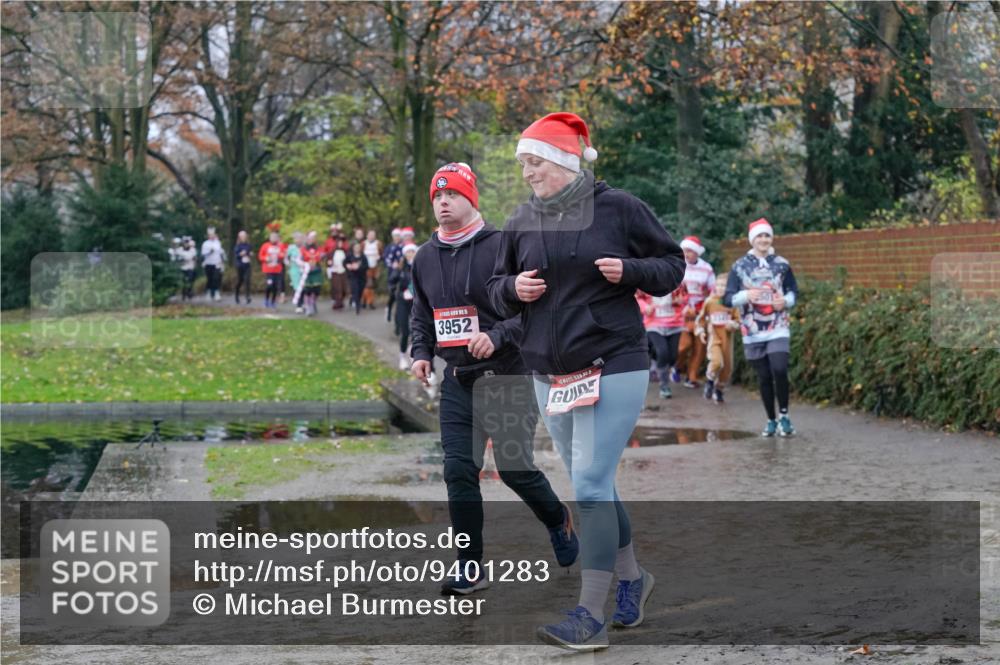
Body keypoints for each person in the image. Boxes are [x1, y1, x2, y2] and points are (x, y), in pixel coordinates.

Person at [486, 113, 685, 651]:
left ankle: (588, 614)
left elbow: (670, 265)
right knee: (597, 485)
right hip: (550, 376)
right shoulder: (520, 219)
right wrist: (513, 290)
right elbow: (495, 287)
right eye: (522, 163)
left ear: (565, 161)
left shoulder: (618, 208)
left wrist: (631, 270)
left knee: (592, 486)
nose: (526, 172)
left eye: (534, 162)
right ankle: (634, 580)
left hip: (613, 363)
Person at [411, 162, 579, 596]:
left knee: (514, 468)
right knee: (457, 470)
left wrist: (497, 334)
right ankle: (470, 567)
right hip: (458, 381)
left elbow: (533, 314)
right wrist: (421, 352)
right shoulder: (425, 256)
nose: (443, 202)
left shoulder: (503, 245)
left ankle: (557, 517)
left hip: (508, 374)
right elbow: (421, 314)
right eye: (437, 197)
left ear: (471, 199)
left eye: (452, 195)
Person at [723, 217, 799, 436]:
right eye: (759, 236)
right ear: (752, 240)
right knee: (764, 377)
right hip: (752, 329)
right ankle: (771, 420)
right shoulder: (739, 266)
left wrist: (786, 301)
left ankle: (784, 416)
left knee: (779, 368)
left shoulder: (782, 264)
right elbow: (727, 299)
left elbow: (793, 290)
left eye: (767, 235)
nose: (764, 240)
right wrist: (746, 295)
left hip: (778, 325)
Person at [674, 236, 715, 389]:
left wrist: (706, 309)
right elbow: (672, 290)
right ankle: (677, 367)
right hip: (682, 313)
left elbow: (713, 290)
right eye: (684, 250)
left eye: (690, 251)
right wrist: (682, 307)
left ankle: (692, 377)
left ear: (697, 253)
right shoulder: (677, 266)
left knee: (700, 347)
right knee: (683, 346)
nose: (687, 254)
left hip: (700, 312)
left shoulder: (707, 268)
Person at [636, 285, 687, 399]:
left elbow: (686, 296)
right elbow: (638, 297)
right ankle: (664, 386)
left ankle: (655, 358)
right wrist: (645, 307)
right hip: (654, 324)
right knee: (663, 352)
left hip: (675, 324)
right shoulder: (648, 280)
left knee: (673, 356)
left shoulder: (676, 280)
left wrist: (681, 300)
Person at [694, 280, 741, 403]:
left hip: (727, 339)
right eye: (719, 285)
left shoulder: (733, 303)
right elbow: (701, 319)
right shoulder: (710, 301)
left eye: (724, 286)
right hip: (714, 338)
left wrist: (733, 325)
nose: (721, 288)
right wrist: (701, 332)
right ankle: (709, 381)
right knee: (716, 362)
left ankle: (719, 389)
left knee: (727, 368)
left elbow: (738, 321)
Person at [394, 242, 418, 369]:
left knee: (417, 330)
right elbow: (392, 281)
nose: (410, 254)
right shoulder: (401, 267)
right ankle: (402, 356)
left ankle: (413, 353)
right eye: (408, 252)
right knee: (405, 330)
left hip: (416, 303)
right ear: (405, 254)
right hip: (403, 301)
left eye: (412, 251)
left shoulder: (420, 266)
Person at [258, 230, 286, 309]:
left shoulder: (281, 246)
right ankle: (266, 299)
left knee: (275, 287)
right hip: (268, 270)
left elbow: (283, 254)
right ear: (269, 238)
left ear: (277, 238)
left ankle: (273, 302)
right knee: (269, 285)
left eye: (275, 237)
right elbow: (260, 256)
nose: (274, 239)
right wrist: (266, 258)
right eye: (272, 237)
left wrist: (280, 256)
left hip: (277, 270)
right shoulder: (265, 245)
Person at [384, 228, 404, 326]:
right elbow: (386, 259)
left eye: (398, 236)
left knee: (400, 297)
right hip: (392, 274)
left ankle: (399, 322)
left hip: (402, 275)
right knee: (392, 295)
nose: (396, 238)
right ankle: (388, 309)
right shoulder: (389, 247)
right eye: (395, 236)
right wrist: (392, 265)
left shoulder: (403, 247)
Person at [300, 231, 324, 316]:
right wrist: (305, 264)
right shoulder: (303, 249)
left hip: (316, 270)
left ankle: (313, 302)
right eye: (309, 238)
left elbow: (322, 256)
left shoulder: (318, 248)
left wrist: (321, 258)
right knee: (307, 290)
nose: (311, 240)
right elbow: (300, 259)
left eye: (313, 238)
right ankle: (308, 306)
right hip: (307, 271)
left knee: (316, 289)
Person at [200, 227, 225, 301]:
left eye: (213, 234)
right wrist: (209, 251)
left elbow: (221, 252)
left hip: (216, 263)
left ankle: (216, 292)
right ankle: (209, 292)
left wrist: (222, 261)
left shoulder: (218, 243)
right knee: (209, 279)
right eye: (210, 235)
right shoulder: (205, 244)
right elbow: (203, 254)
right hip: (208, 263)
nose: (212, 236)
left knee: (216, 278)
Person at [345, 242, 368, 315]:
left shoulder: (363, 256)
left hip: (361, 276)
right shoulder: (350, 256)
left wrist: (359, 267)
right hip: (353, 276)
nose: (357, 249)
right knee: (356, 290)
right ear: (353, 248)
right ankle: (357, 307)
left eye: (358, 247)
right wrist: (348, 266)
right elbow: (344, 263)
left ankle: (357, 301)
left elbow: (366, 266)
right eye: (356, 247)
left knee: (360, 290)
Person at [285, 232, 305, 313]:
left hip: (304, 270)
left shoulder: (304, 248)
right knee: (297, 287)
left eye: (299, 239)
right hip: (294, 270)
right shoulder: (291, 248)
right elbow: (286, 258)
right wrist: (288, 264)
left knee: (303, 287)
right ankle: (298, 305)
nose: (298, 240)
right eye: (296, 239)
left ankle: (303, 303)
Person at [362, 229, 382, 310]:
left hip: (375, 267)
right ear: (367, 235)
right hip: (366, 268)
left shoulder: (378, 243)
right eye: (370, 235)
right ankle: (369, 302)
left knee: (371, 286)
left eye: (373, 235)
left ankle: (365, 301)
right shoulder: (363, 243)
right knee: (368, 285)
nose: (371, 236)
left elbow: (381, 254)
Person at [233, 230, 253, 305]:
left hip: (247, 265)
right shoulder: (237, 246)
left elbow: (250, 252)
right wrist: (240, 254)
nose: (244, 237)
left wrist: (250, 254)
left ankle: (247, 297)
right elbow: (236, 255)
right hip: (240, 265)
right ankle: (236, 295)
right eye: (242, 236)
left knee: (247, 280)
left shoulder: (249, 245)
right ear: (239, 237)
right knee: (240, 280)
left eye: (245, 236)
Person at [329, 235, 349, 310]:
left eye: (341, 243)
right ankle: (337, 302)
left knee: (343, 288)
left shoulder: (345, 252)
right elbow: (328, 261)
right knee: (337, 288)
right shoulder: (332, 252)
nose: (340, 244)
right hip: (335, 271)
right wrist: (329, 263)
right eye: (339, 242)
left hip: (343, 271)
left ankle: (341, 301)